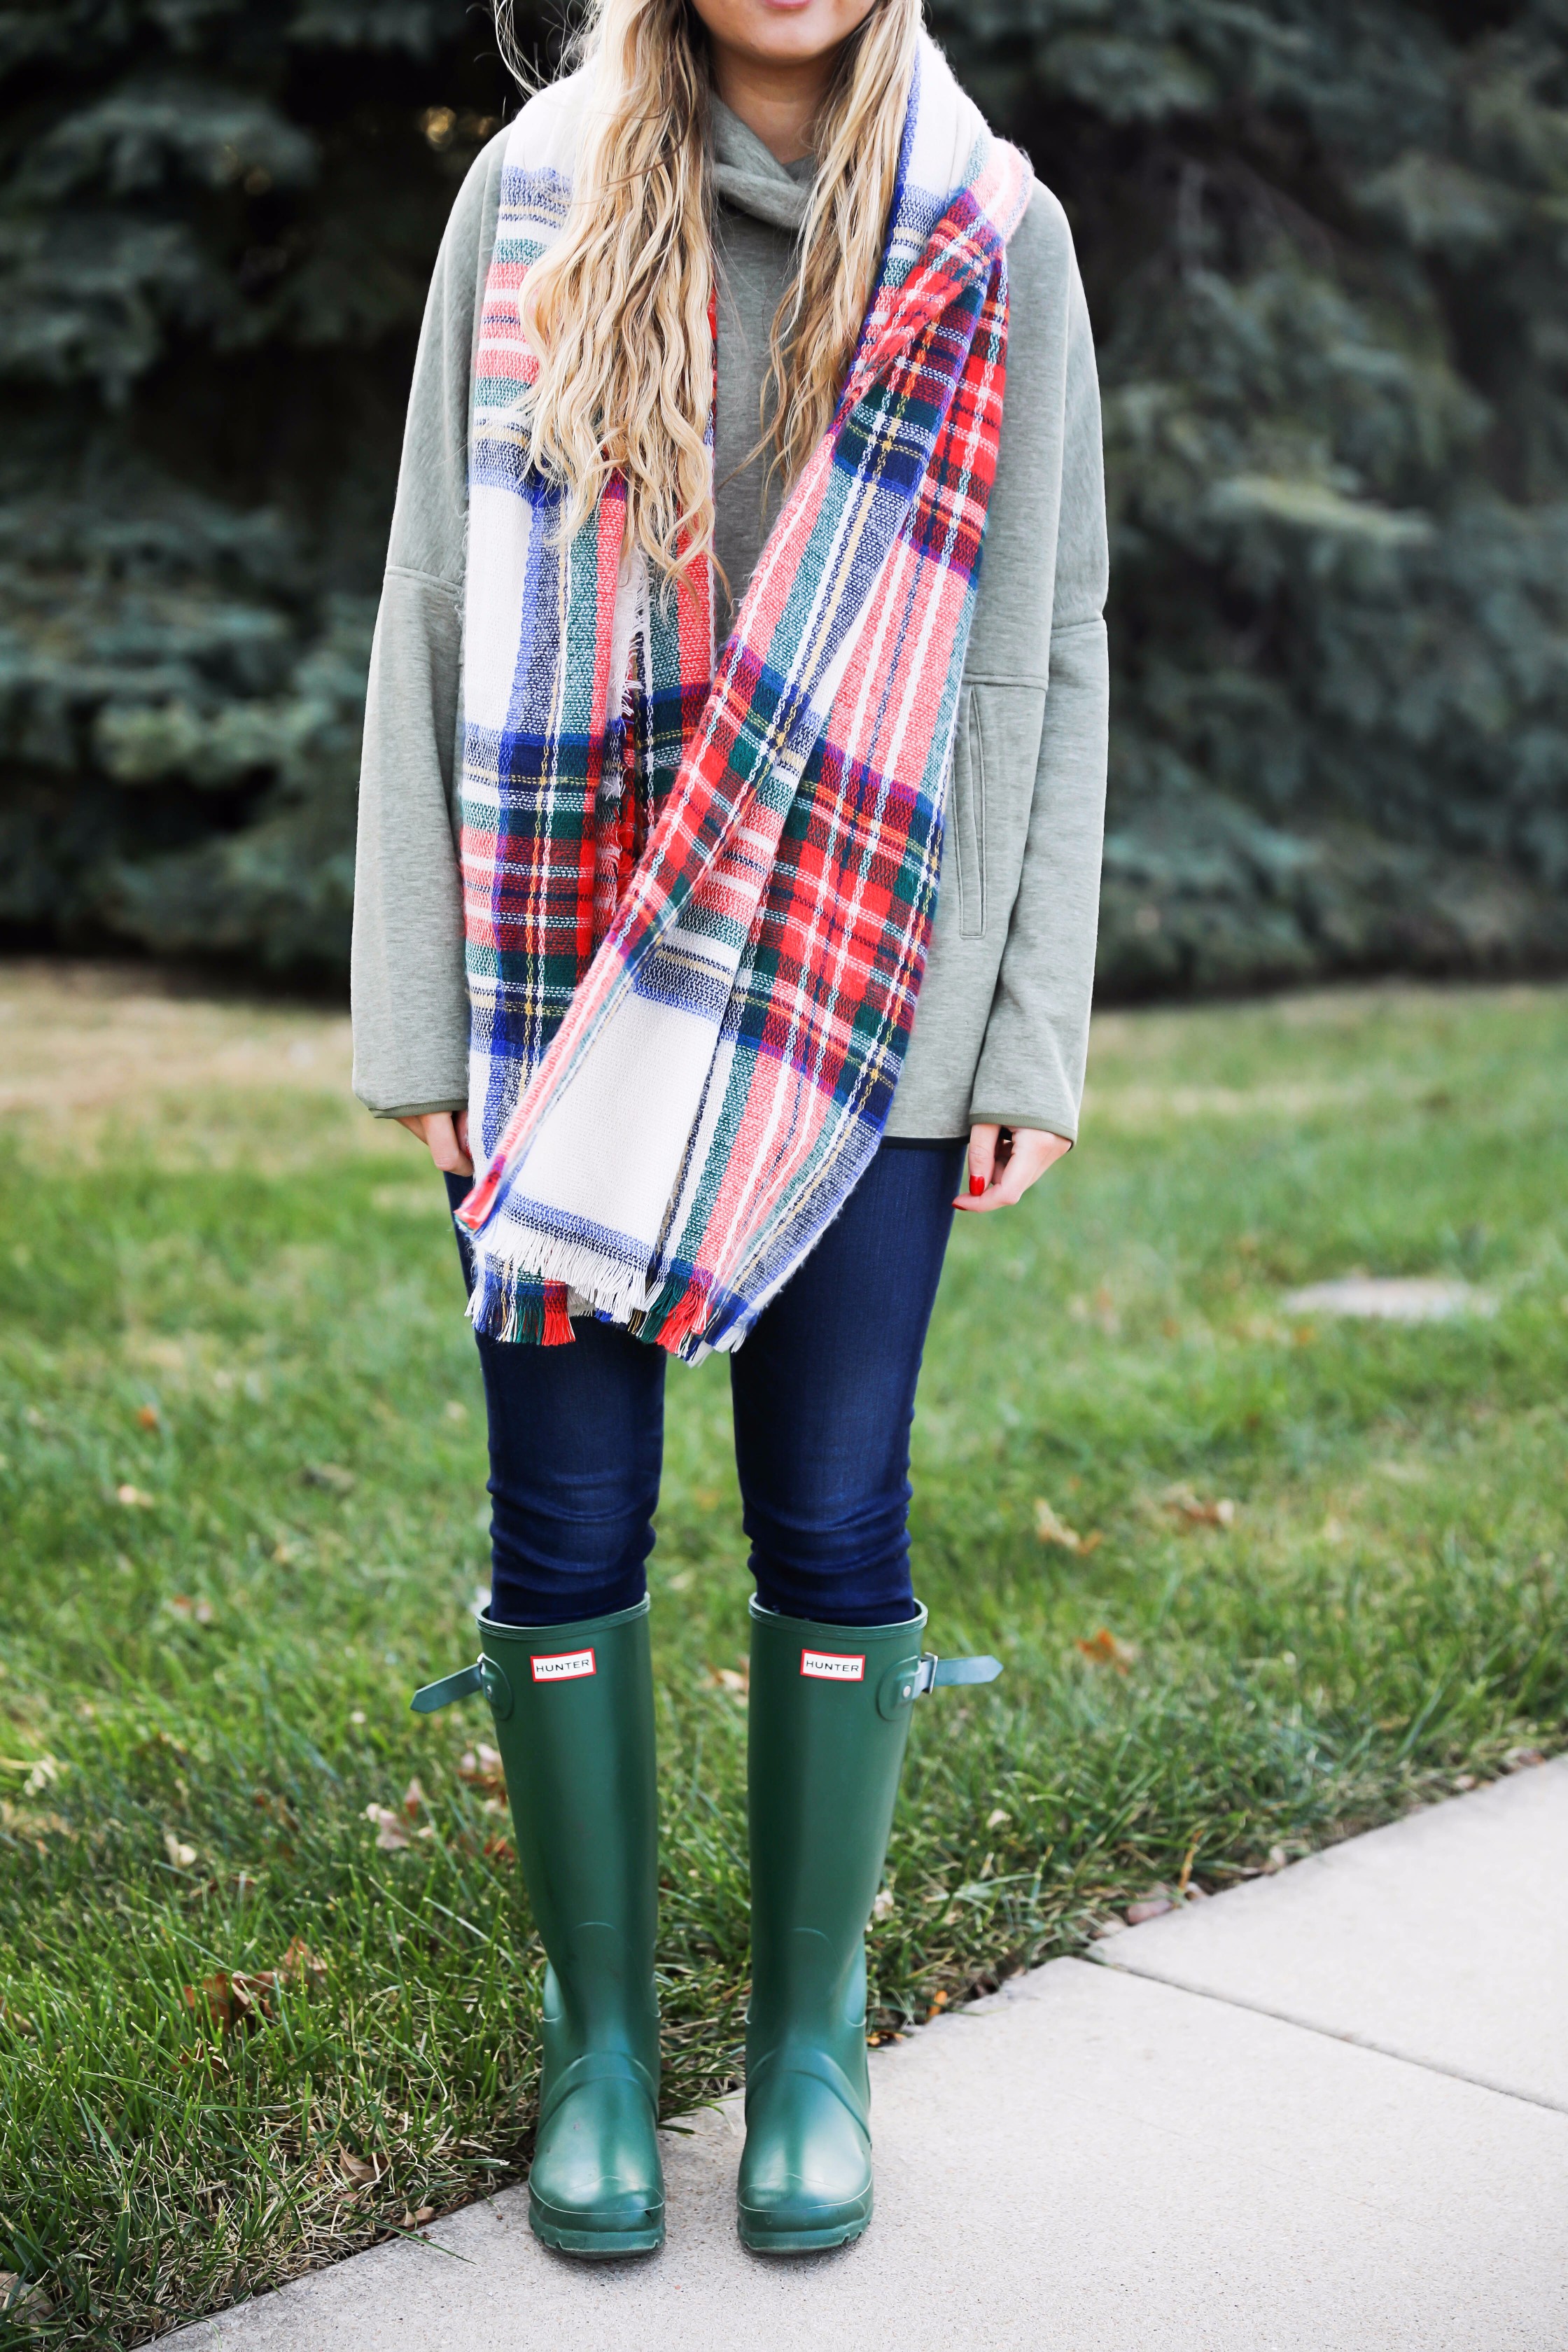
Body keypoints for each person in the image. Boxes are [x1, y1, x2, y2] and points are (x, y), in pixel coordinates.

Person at [351, 0, 1107, 2262]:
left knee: (835, 1516)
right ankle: (600, 2051)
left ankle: (805, 2047)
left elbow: (1053, 632)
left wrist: (1032, 1025)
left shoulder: (998, 233)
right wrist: (421, 1004)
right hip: (566, 957)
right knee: (562, 1521)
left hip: (874, 962)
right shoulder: (529, 199)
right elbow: (427, 589)